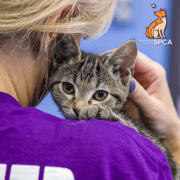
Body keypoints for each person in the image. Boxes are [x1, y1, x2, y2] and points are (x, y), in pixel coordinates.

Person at [0, 0, 179, 180]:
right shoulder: (119, 151)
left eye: (100, 94)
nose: (79, 107)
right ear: (61, 21)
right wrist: (174, 141)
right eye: (83, 36)